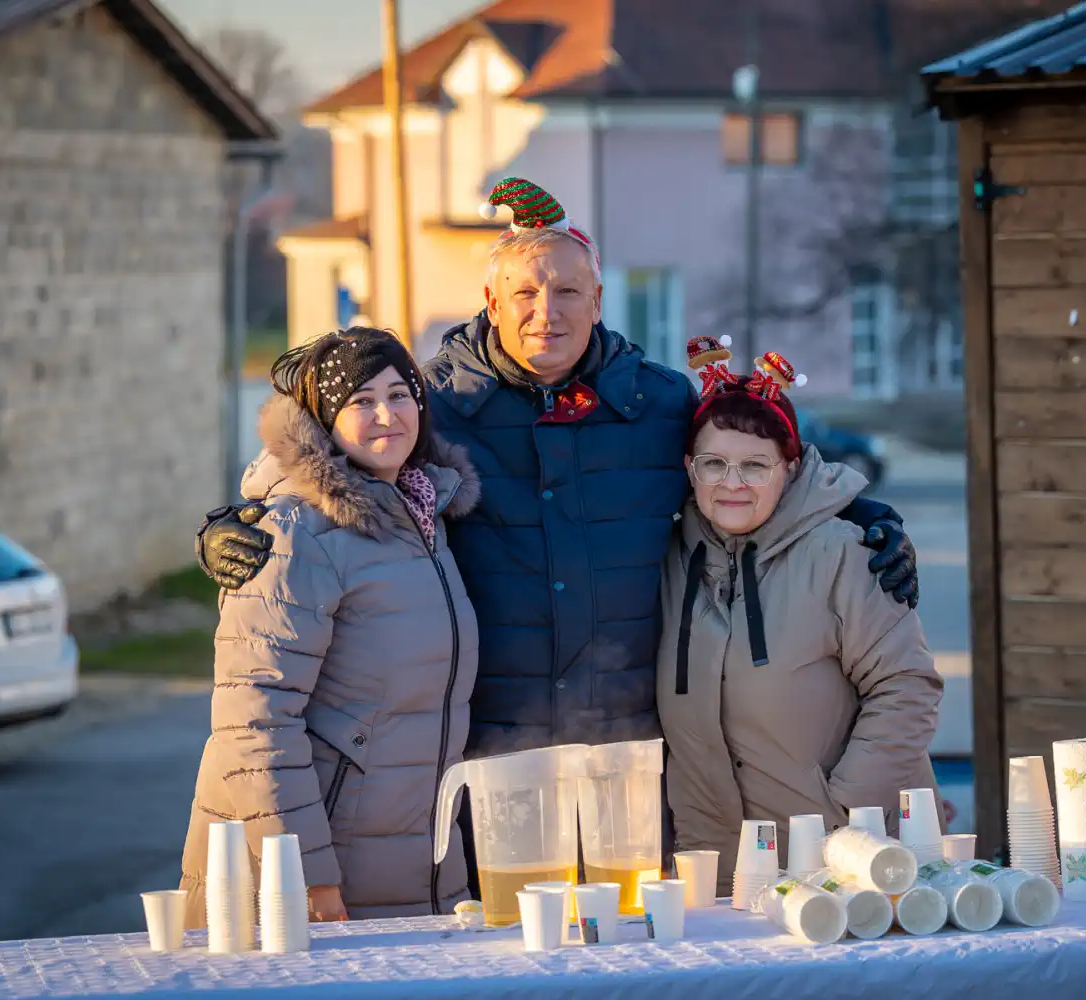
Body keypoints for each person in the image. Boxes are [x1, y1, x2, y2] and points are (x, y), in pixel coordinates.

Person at [193, 178, 921, 889]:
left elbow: (756, 465)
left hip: (631, 758)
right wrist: (241, 516)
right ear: (492, 302)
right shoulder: (437, 405)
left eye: (569, 292)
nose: (548, 312)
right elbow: (332, 451)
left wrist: (858, 514)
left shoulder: (659, 402)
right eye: (527, 293)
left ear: (598, 301)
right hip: (489, 763)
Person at [179, 328, 481, 923]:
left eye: (400, 395)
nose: (386, 415)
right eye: (360, 401)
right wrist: (305, 878)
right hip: (315, 871)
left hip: (406, 853)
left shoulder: (422, 516)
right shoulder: (295, 532)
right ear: (324, 418)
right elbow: (255, 720)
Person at [659, 344, 942, 893]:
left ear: (790, 469)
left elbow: (908, 687)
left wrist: (842, 816)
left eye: (755, 465)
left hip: (844, 869)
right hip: (718, 875)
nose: (732, 482)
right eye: (714, 463)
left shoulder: (842, 554)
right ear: (689, 469)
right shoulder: (670, 558)